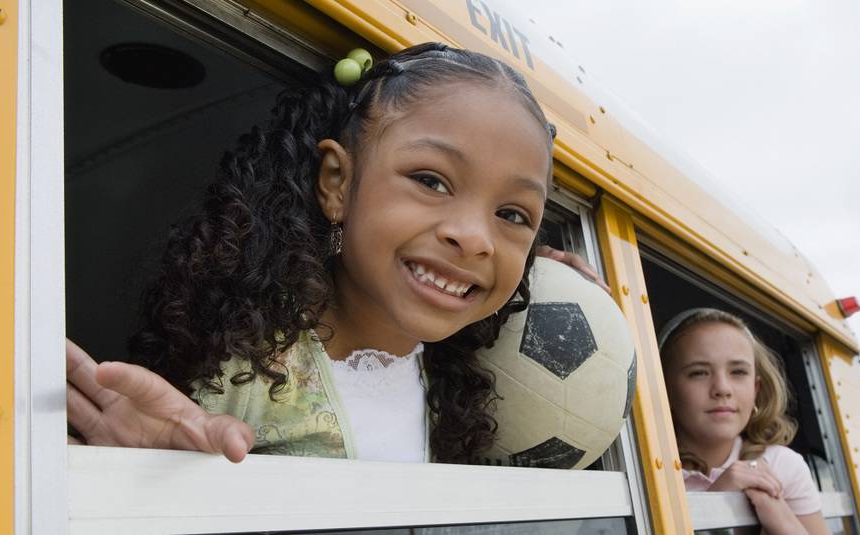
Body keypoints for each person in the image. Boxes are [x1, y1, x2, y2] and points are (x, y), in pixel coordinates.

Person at [66, 42, 604, 465]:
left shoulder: (458, 387)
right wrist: (147, 480)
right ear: (337, 183)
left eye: (512, 215)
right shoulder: (242, 381)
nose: (475, 237)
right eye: (431, 181)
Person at [658, 308, 830, 534]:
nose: (722, 388)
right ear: (666, 389)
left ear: (755, 389)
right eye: (699, 373)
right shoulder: (651, 473)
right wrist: (718, 502)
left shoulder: (782, 465)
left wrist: (782, 522)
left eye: (738, 372)